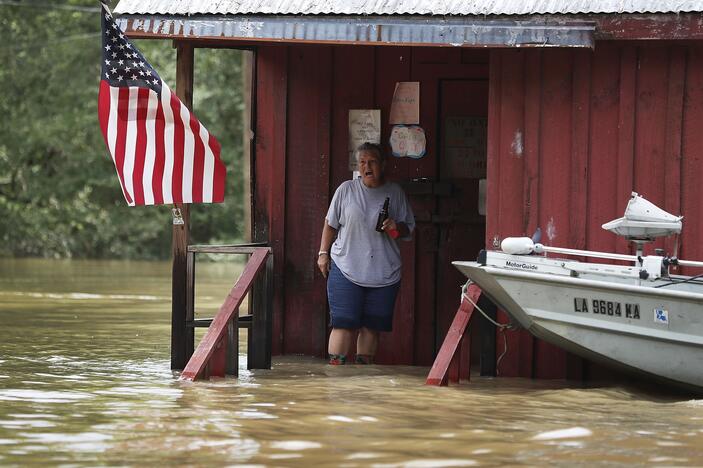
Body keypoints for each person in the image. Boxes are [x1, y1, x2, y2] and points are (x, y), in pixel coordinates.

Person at [317, 142, 415, 365]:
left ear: (383, 165)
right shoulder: (346, 190)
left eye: (371, 162)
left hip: (384, 272)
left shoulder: (395, 193)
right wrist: (323, 253)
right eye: (362, 162)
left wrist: (395, 228)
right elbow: (330, 224)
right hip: (346, 267)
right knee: (343, 323)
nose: (366, 167)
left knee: (372, 326)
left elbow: (409, 229)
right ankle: (336, 374)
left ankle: (363, 376)